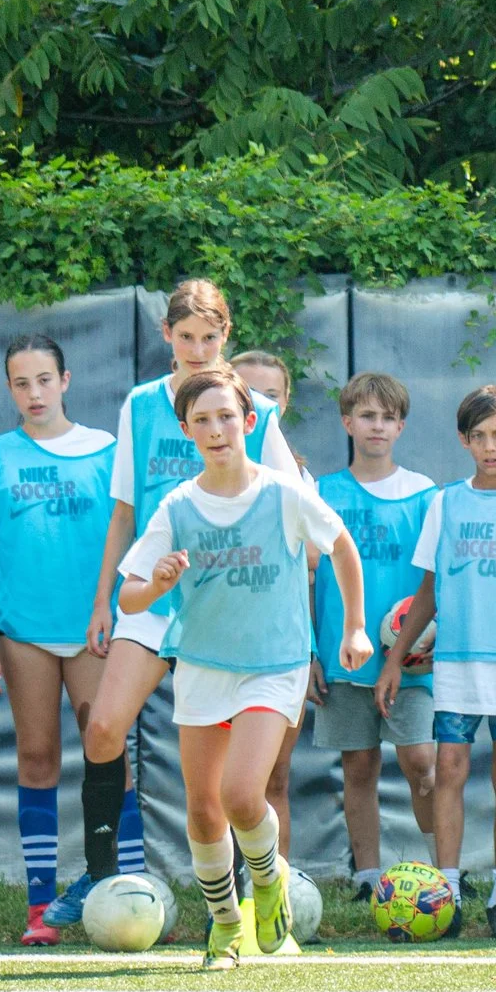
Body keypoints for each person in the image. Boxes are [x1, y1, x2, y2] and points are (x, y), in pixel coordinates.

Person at [51, 279, 302, 930]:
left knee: (241, 773)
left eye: (209, 337)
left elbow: (292, 507)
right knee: (104, 727)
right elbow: (125, 510)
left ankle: (259, 890)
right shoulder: (140, 405)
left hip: (228, 600)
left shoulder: (255, 410)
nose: (197, 348)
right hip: (155, 595)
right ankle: (101, 874)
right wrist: (106, 597)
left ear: (226, 336)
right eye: (185, 336)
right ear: (167, 336)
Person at [117, 365, 369, 969]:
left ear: (250, 422)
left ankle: (269, 879)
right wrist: (156, 585)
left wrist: (356, 627)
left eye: (226, 416)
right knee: (202, 811)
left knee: (239, 794)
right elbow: (128, 597)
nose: (215, 428)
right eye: (200, 420)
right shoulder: (178, 506)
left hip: (273, 664)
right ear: (186, 431)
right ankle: (226, 923)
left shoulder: (282, 493)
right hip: (203, 664)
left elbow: (340, 546)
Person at [376, 384, 496, 939]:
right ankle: (445, 895)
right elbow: (429, 589)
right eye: (479, 436)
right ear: (464, 440)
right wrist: (394, 660)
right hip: (458, 667)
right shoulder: (447, 502)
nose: (490, 447)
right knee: (450, 774)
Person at [0, 335, 123, 945]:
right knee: (37, 759)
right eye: (20, 383)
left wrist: (108, 610)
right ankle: (40, 906)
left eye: (44, 380)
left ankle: (119, 894)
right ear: (9, 388)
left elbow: (125, 541)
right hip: (23, 631)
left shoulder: (107, 451)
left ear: (66, 379)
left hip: (92, 631)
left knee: (108, 760)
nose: (34, 393)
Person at [313, 373, 438, 905]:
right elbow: (305, 576)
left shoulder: (425, 494)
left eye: (388, 417)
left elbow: (436, 581)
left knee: (421, 764)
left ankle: (444, 868)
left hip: (410, 660)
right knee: (358, 765)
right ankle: (367, 876)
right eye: (367, 416)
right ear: (347, 423)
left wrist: (428, 641)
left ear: (402, 426)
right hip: (342, 657)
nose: (378, 426)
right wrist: (310, 654)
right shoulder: (322, 493)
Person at [230, 350, 314, 859]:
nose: (258, 404)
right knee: (224, 787)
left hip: (282, 649)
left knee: (272, 780)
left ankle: (271, 899)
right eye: (247, 391)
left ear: (282, 405)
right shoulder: (199, 485)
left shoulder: (299, 482)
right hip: (214, 650)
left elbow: (314, 565)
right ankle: (224, 905)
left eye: (270, 395)